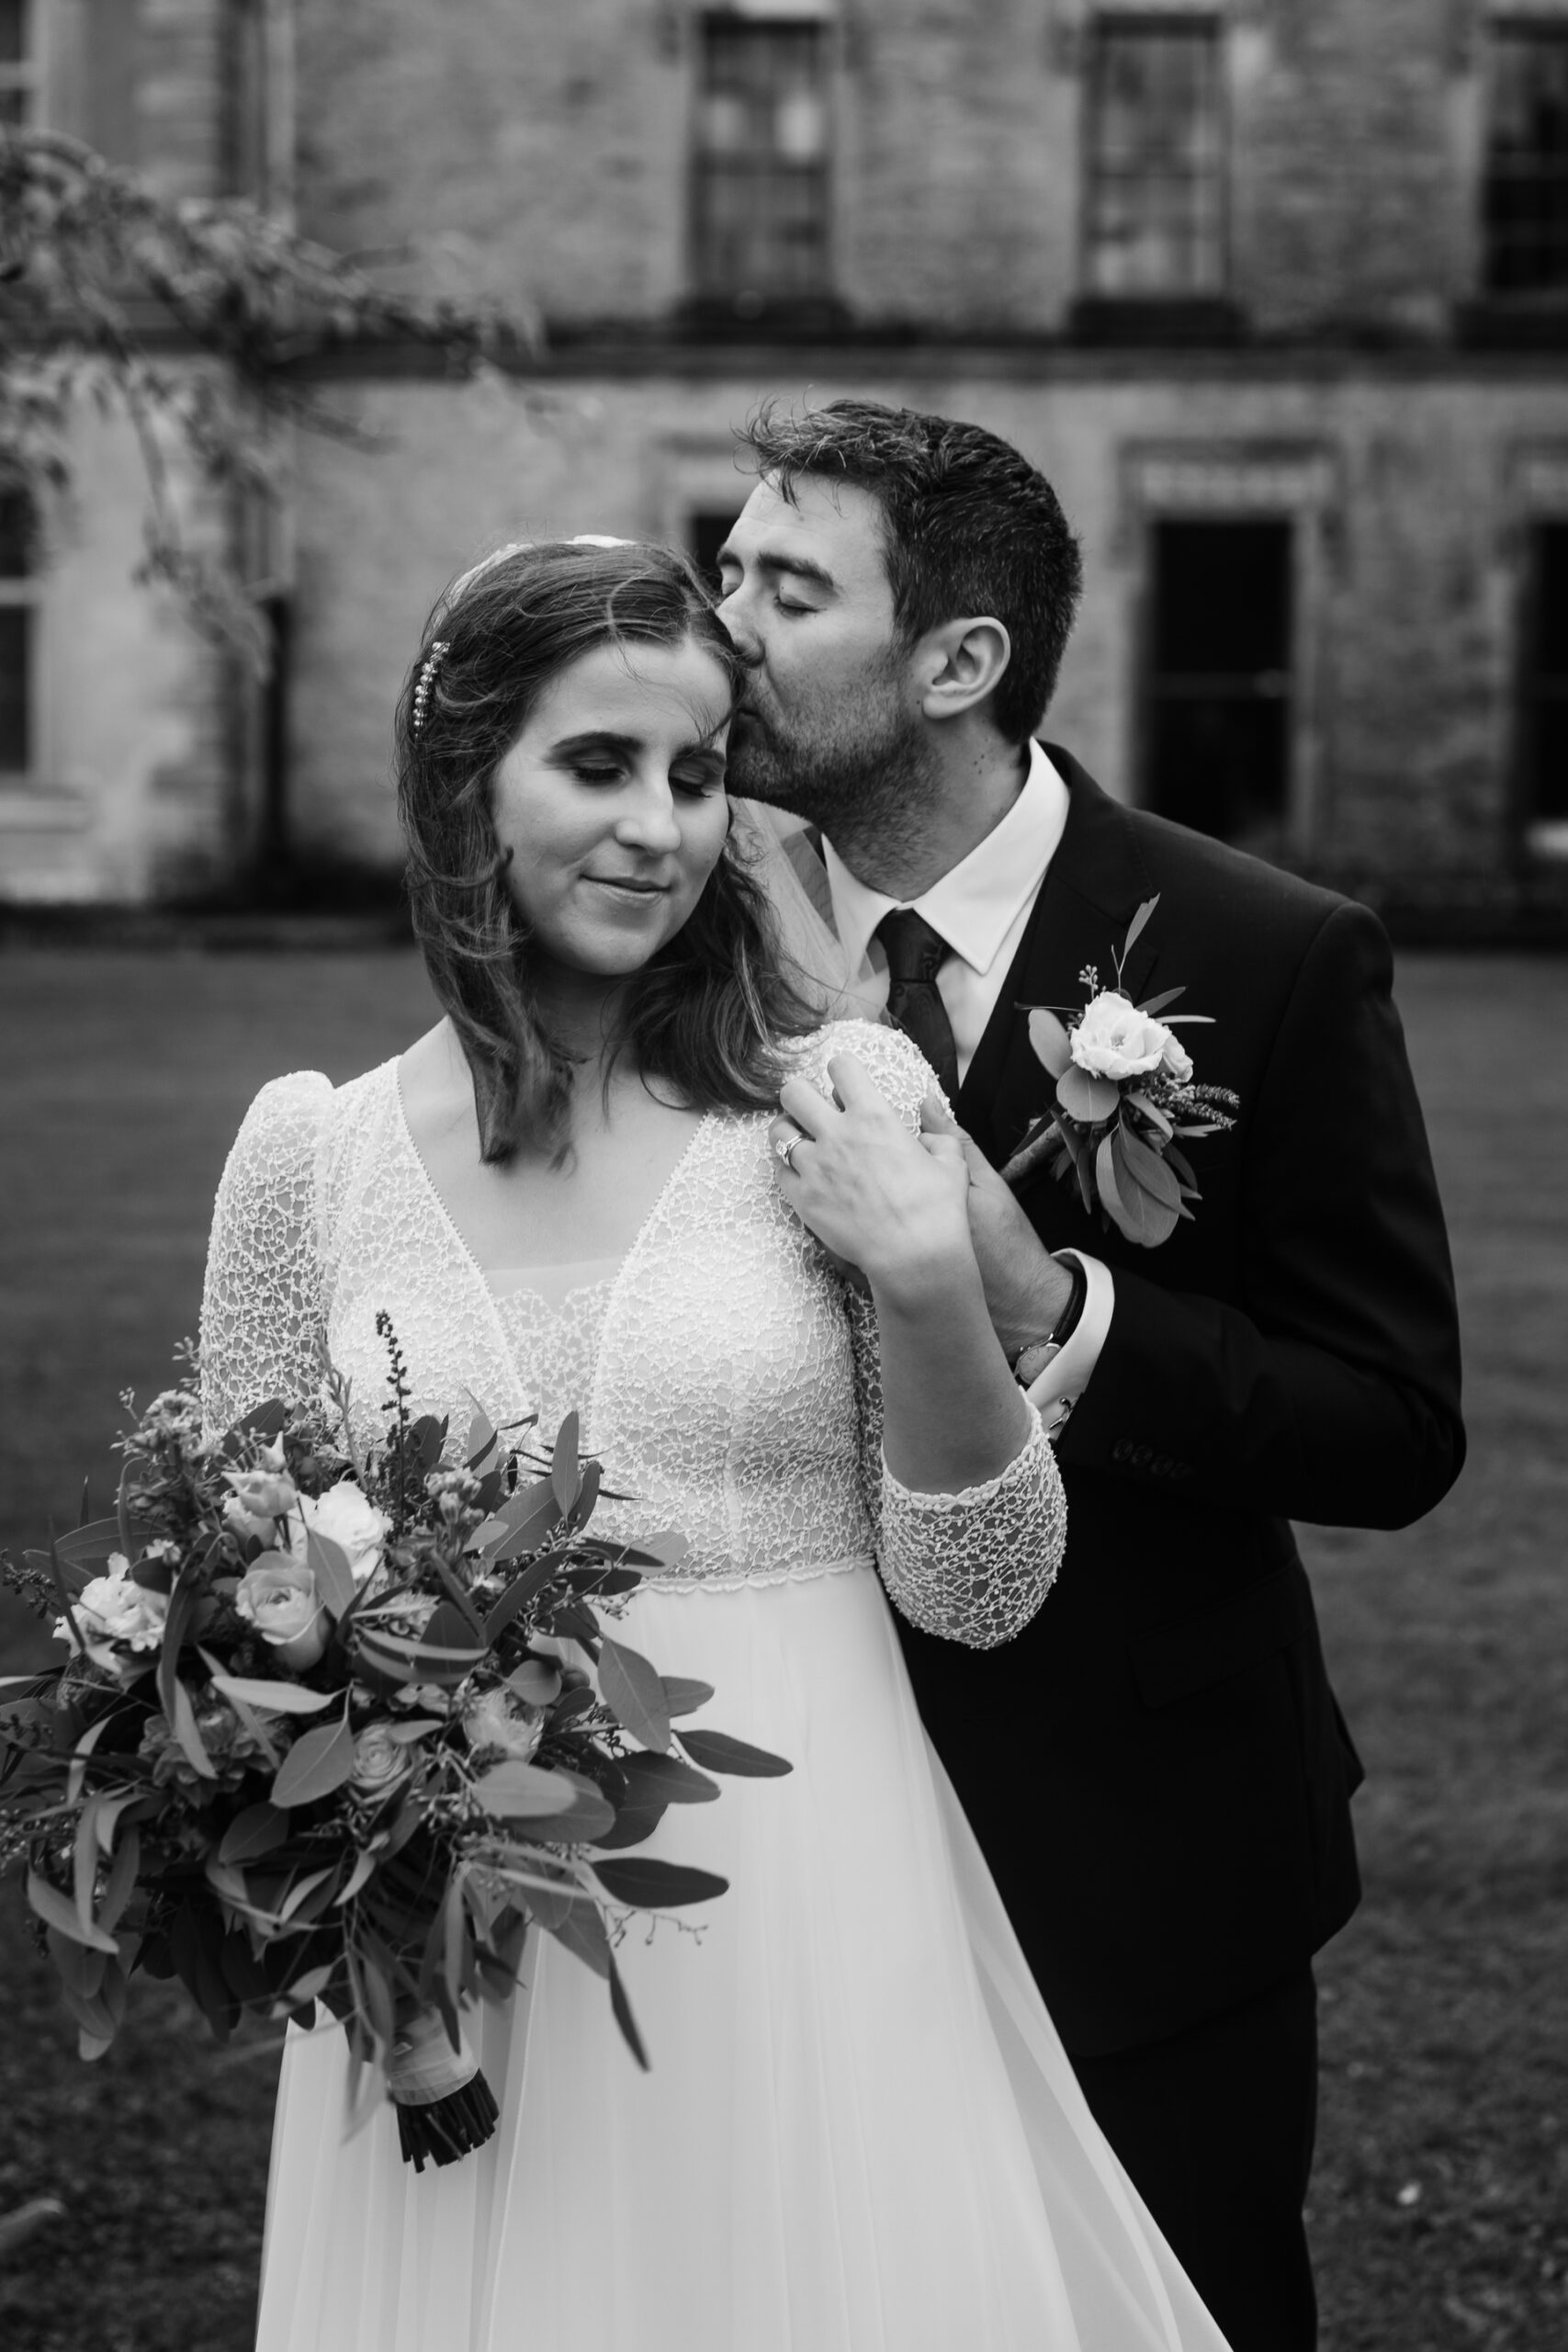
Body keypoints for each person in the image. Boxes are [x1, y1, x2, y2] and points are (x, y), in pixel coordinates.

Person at [200, 538, 1232, 2352]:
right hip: (452, 1935)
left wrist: (924, 1278)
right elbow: (237, 1596)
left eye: (693, 774)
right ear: (465, 780)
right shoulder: (311, 1152)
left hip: (801, 1888)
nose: (659, 827)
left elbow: (977, 1587)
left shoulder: (829, 1103)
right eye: (595, 765)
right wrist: (346, 1893)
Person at [715, 400, 1466, 2352]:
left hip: (1145, 1864)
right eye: (727, 568)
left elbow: (1387, 1424)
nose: (721, 622)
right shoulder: (682, 937)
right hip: (770, 1848)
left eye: (785, 589)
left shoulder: (1268, 953)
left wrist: (1055, 1305)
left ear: (955, 661)